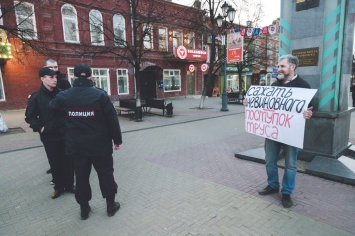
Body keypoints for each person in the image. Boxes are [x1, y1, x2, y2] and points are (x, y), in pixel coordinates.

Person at [49, 64, 122, 220]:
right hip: (100, 146)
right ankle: (110, 206)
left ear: (74, 77)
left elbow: (51, 107)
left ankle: (84, 209)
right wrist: (117, 140)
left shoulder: (65, 96)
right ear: (91, 77)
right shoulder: (100, 95)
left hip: (77, 147)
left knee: (81, 177)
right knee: (106, 174)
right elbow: (112, 120)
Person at [244, 54, 313, 208]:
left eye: (282, 66)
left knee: (290, 164)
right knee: (270, 159)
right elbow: (265, 105)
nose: (279, 69)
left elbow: (309, 108)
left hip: (291, 132)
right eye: (278, 66)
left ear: (292, 67)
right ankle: (273, 185)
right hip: (273, 130)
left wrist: (308, 114)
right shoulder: (275, 85)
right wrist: (250, 102)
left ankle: (287, 192)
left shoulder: (304, 86)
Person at [25, 67, 75, 199]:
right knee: (55, 162)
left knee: (68, 161)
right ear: (42, 79)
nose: (55, 79)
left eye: (55, 77)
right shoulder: (36, 97)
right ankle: (59, 187)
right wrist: (41, 128)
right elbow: (30, 117)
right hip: (49, 136)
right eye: (51, 77)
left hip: (65, 134)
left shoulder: (62, 94)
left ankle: (70, 185)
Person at [44, 58, 71, 176]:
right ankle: (54, 169)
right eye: (51, 67)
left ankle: (68, 174)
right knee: (51, 151)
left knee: (64, 150)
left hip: (62, 123)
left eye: (55, 67)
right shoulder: (44, 80)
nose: (54, 70)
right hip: (49, 125)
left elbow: (69, 101)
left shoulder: (64, 83)